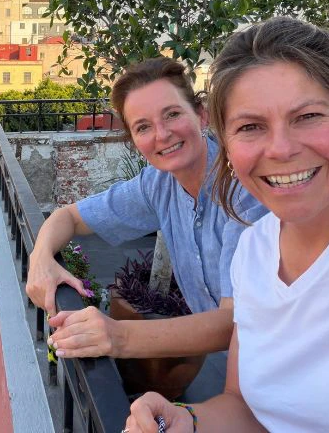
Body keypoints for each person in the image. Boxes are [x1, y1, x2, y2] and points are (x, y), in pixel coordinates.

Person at [124, 17, 329, 432]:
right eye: (251, 127)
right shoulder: (254, 250)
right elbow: (244, 408)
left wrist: (118, 337)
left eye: (306, 116)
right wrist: (187, 420)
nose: (282, 148)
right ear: (228, 146)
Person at [26, 57, 267, 362]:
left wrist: (118, 336)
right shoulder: (159, 183)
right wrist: (41, 258)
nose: (161, 135)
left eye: (172, 114)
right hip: (235, 369)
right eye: (143, 127)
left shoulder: (242, 188)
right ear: (134, 141)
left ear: (202, 116)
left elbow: (236, 324)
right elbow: (69, 217)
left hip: (287, 373)